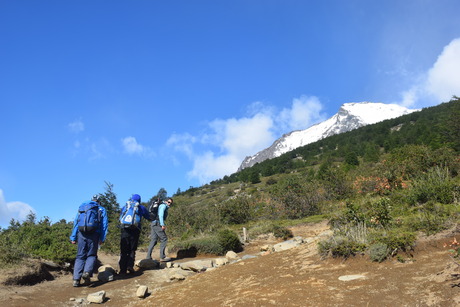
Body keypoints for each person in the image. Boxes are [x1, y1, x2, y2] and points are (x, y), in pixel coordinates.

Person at [70, 195, 108, 287]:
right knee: (91, 255)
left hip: (81, 234)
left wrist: (73, 237)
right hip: (94, 234)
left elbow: (76, 222)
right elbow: (104, 225)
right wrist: (102, 238)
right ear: (99, 202)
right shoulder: (101, 209)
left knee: (80, 256)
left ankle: (76, 279)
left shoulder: (82, 208)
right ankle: (86, 273)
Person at [118, 194, 151, 275]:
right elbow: (148, 216)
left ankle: (122, 269)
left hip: (125, 230)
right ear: (139, 200)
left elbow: (121, 216)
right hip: (135, 230)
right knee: (132, 250)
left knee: (124, 250)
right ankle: (130, 266)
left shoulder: (126, 206)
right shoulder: (140, 207)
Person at [146, 197, 174, 262]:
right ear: (166, 201)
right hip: (157, 223)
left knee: (154, 240)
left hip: (153, 223)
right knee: (164, 239)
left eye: (171, 203)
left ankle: (148, 257)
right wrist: (162, 224)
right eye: (169, 202)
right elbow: (161, 215)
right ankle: (162, 257)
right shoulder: (163, 206)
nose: (169, 204)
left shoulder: (162, 206)